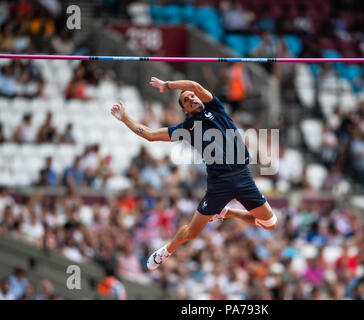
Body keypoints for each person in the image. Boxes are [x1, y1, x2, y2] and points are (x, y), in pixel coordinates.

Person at [110, 77, 278, 271]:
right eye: (187, 100)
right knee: (191, 232)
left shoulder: (214, 107)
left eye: (192, 96)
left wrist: (167, 85)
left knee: (270, 224)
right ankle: (166, 250)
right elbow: (150, 134)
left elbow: (194, 86)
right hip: (218, 184)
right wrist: (125, 118)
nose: (192, 98)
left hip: (243, 177)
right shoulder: (185, 129)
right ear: (185, 110)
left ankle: (228, 212)